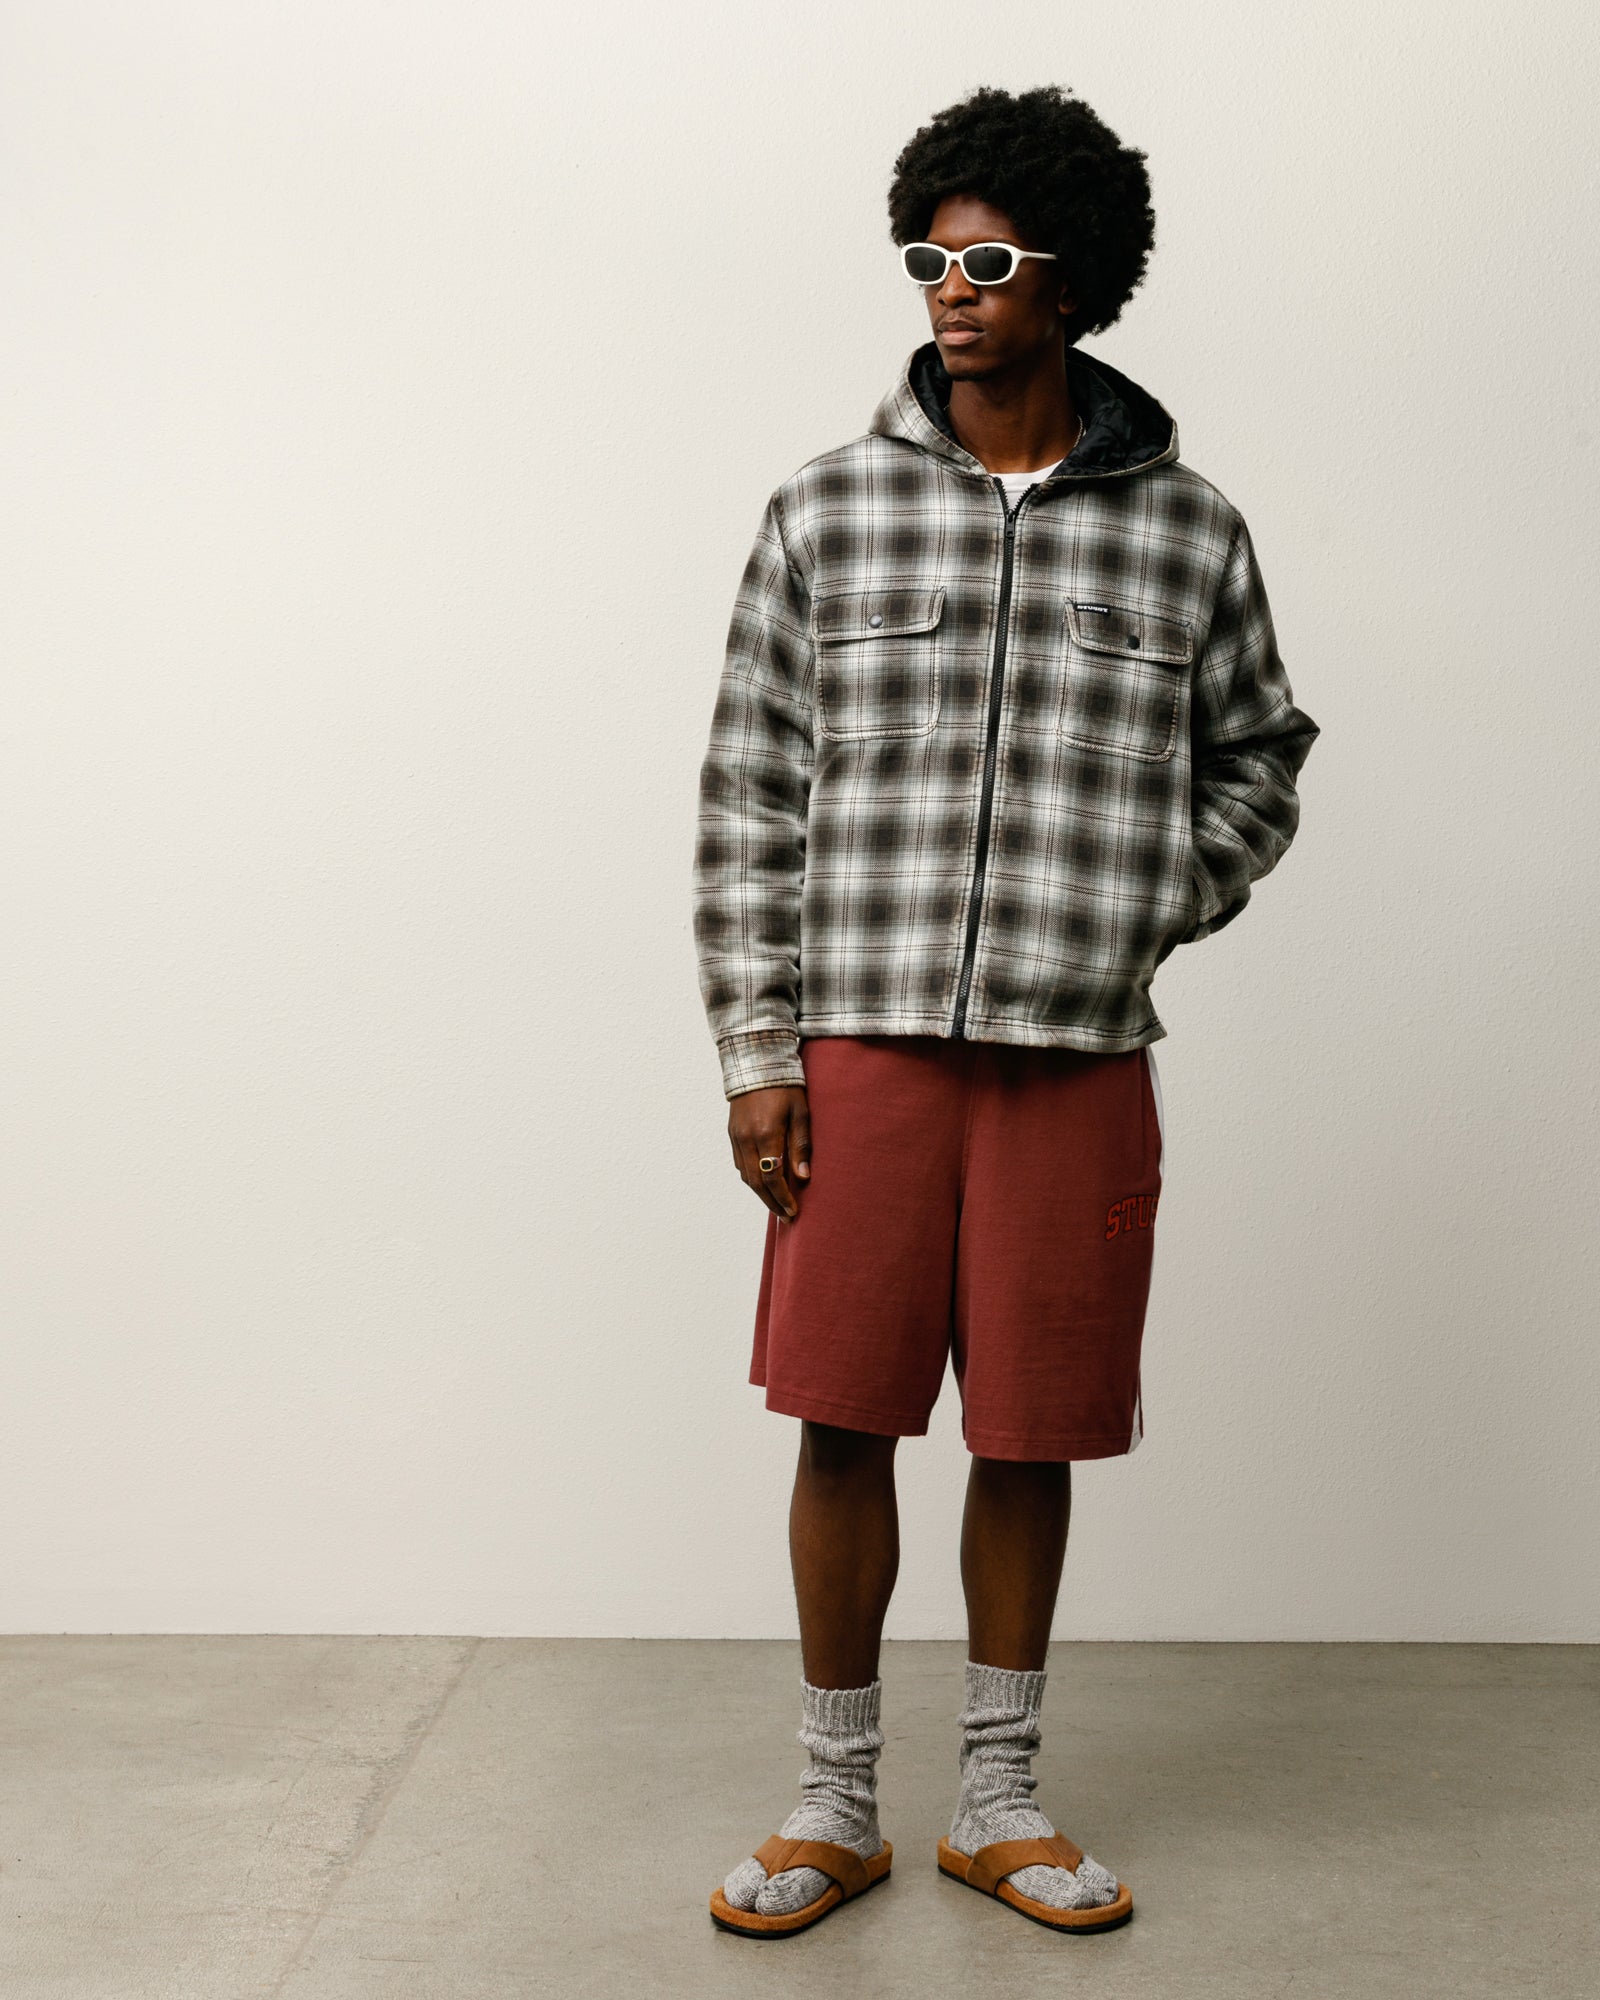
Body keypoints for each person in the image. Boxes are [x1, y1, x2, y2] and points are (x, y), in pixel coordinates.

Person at [692, 82, 1320, 1940]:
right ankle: (833, 1803)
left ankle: (997, 1799)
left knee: (1029, 1429)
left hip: (1074, 1061)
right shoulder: (827, 507)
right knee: (841, 1419)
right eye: (929, 260)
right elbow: (750, 791)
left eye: (988, 262)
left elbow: (1261, 757)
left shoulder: (1187, 533)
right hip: (862, 1046)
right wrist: (756, 1052)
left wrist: (1148, 901)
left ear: (1073, 278)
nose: (950, 294)